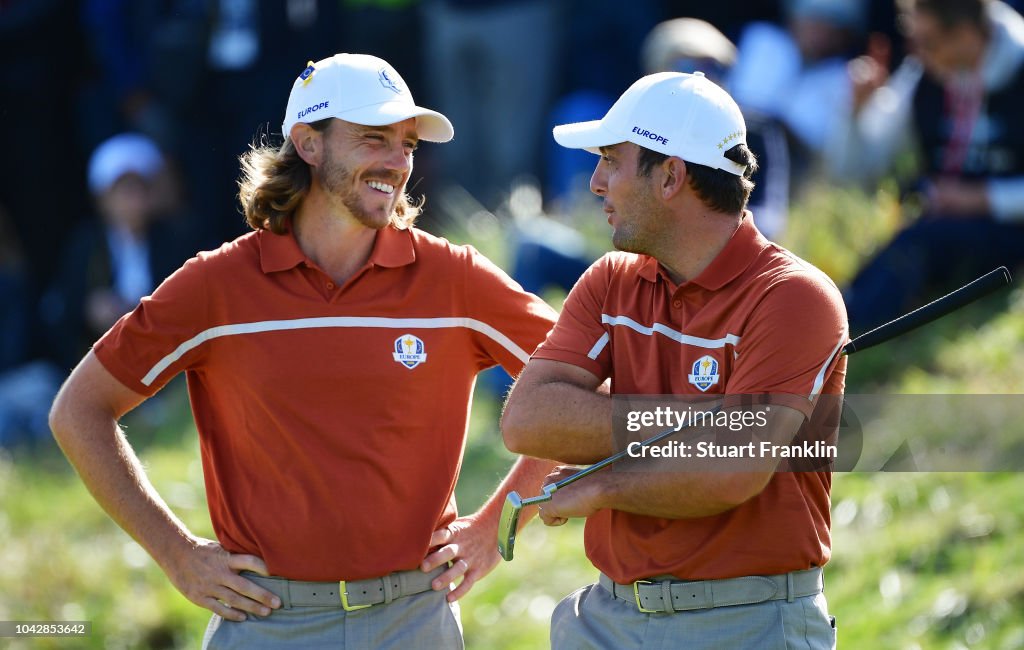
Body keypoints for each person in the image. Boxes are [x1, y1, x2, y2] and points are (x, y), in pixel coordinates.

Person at [49, 53, 557, 649]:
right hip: (266, 621)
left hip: (413, 620)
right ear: (308, 144)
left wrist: (499, 525)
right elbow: (78, 412)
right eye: (374, 139)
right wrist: (177, 554)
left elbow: (582, 388)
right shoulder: (217, 285)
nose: (398, 163)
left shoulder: (454, 277)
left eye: (408, 144)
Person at [502, 71, 848, 649]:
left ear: (670, 176)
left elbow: (729, 470)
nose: (594, 182)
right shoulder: (612, 280)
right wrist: (699, 422)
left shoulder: (794, 298)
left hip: (749, 622)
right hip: (608, 617)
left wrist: (604, 484)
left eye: (611, 160)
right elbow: (528, 419)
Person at [831, 0, 1024, 332]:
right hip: (940, 226)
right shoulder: (923, 75)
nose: (917, 53)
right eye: (913, 40)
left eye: (927, 41)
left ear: (965, 34)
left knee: (919, 243)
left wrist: (977, 198)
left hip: (1010, 231)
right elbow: (856, 173)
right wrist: (856, 112)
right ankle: (833, 319)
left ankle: (844, 331)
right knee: (911, 243)